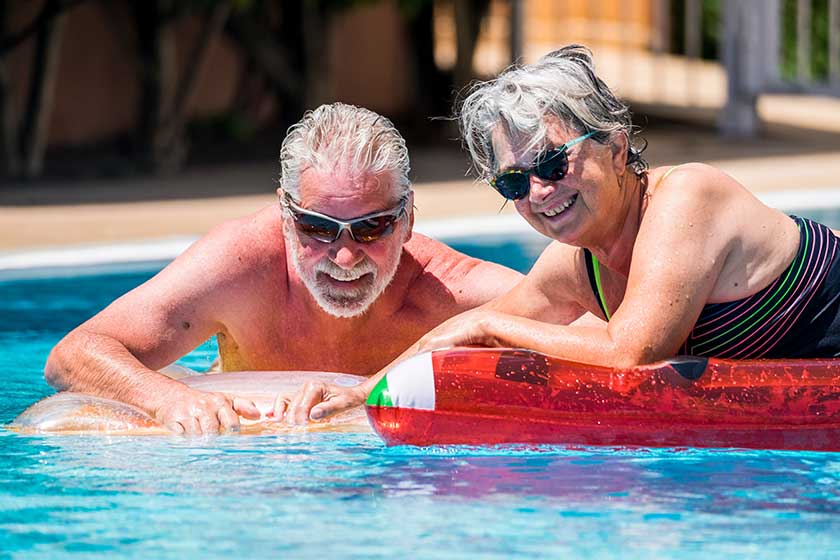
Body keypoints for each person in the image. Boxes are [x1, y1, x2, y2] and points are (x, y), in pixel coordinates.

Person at [44, 103, 523, 434]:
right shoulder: (240, 266)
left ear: (408, 220)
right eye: (318, 227)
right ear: (286, 217)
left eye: (372, 228)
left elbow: (595, 328)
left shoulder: (454, 293)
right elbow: (73, 354)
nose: (344, 257)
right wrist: (169, 399)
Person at [411, 44, 840, 365]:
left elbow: (631, 353)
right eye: (513, 181)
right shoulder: (575, 267)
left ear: (616, 150)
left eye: (553, 162)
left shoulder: (687, 197)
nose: (538, 191)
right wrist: (366, 394)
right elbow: (458, 333)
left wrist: (492, 330)